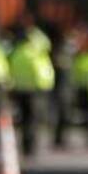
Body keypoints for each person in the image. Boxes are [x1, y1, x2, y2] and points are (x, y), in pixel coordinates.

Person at [9, 26, 56, 157]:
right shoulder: (35, 53)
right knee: (33, 119)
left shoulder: (17, 53)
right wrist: (45, 86)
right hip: (34, 90)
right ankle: (31, 146)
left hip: (20, 89)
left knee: (24, 118)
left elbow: (11, 70)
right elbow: (40, 72)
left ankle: (25, 144)